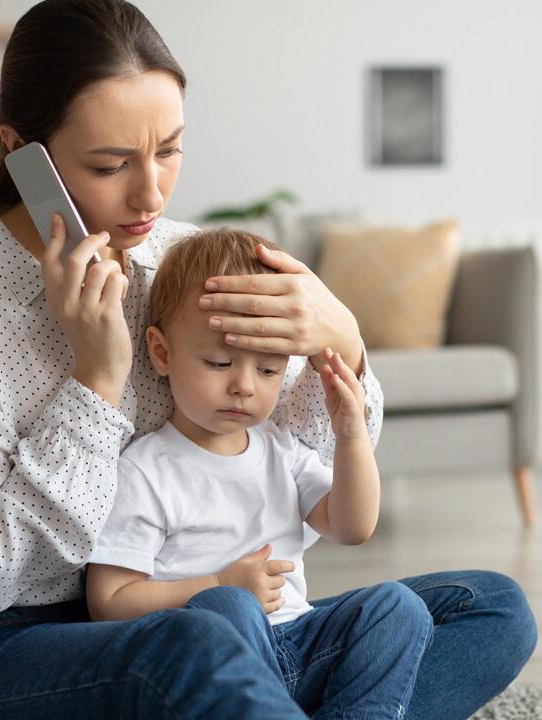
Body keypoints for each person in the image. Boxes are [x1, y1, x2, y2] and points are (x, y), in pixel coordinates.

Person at [0, 0, 537, 717]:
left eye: (168, 150)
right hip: (0, 650)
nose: (152, 194)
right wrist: (96, 381)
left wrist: (343, 343)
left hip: (218, 621)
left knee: (489, 609)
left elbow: (301, 460)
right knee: (197, 646)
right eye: (111, 165)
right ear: (22, 153)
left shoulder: (186, 260)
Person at [86, 229, 432, 718]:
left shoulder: (281, 449)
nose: (244, 387)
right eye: (219, 362)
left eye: (269, 371)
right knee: (230, 609)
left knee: (398, 606)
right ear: (162, 354)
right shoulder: (145, 469)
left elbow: (353, 527)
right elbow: (109, 600)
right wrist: (217, 584)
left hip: (300, 638)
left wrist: (352, 438)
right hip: (214, 655)